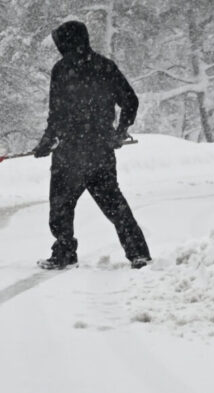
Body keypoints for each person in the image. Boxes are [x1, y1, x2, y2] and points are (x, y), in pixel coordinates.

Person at [33, 20, 151, 270]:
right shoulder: (104, 67)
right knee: (115, 206)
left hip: (70, 152)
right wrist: (120, 130)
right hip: (98, 150)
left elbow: (56, 113)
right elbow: (130, 100)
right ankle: (138, 254)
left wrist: (48, 140)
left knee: (61, 208)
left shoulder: (62, 70)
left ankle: (65, 252)